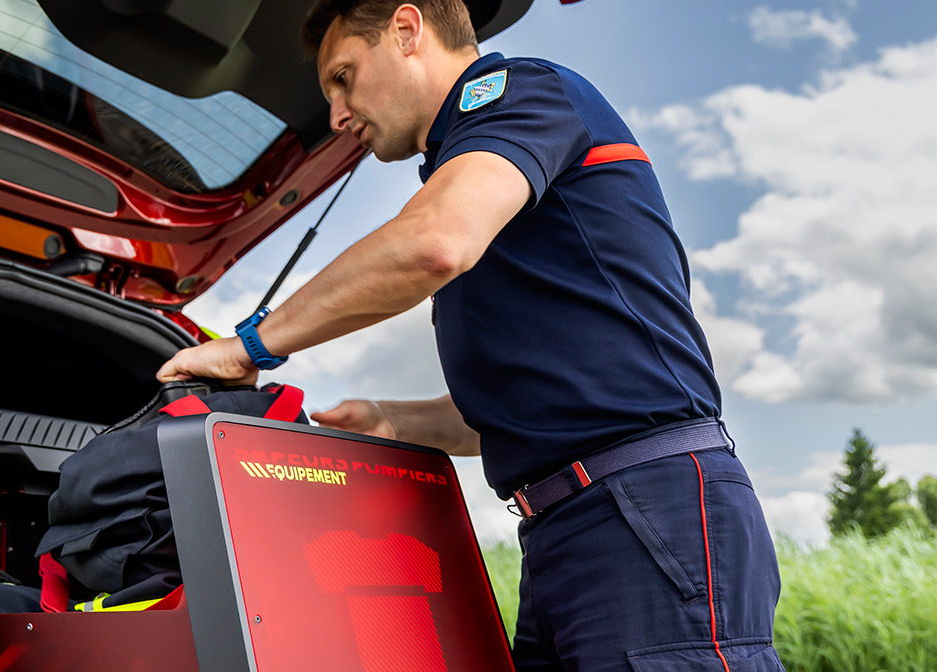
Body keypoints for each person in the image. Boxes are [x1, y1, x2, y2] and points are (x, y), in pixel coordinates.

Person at [156, 1, 784, 670]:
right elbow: (526, 413)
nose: (337, 114)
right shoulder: (488, 180)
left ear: (406, 29)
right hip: (570, 528)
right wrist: (391, 423)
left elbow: (432, 243)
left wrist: (250, 343)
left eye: (343, 76)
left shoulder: (523, 94)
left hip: (647, 508)